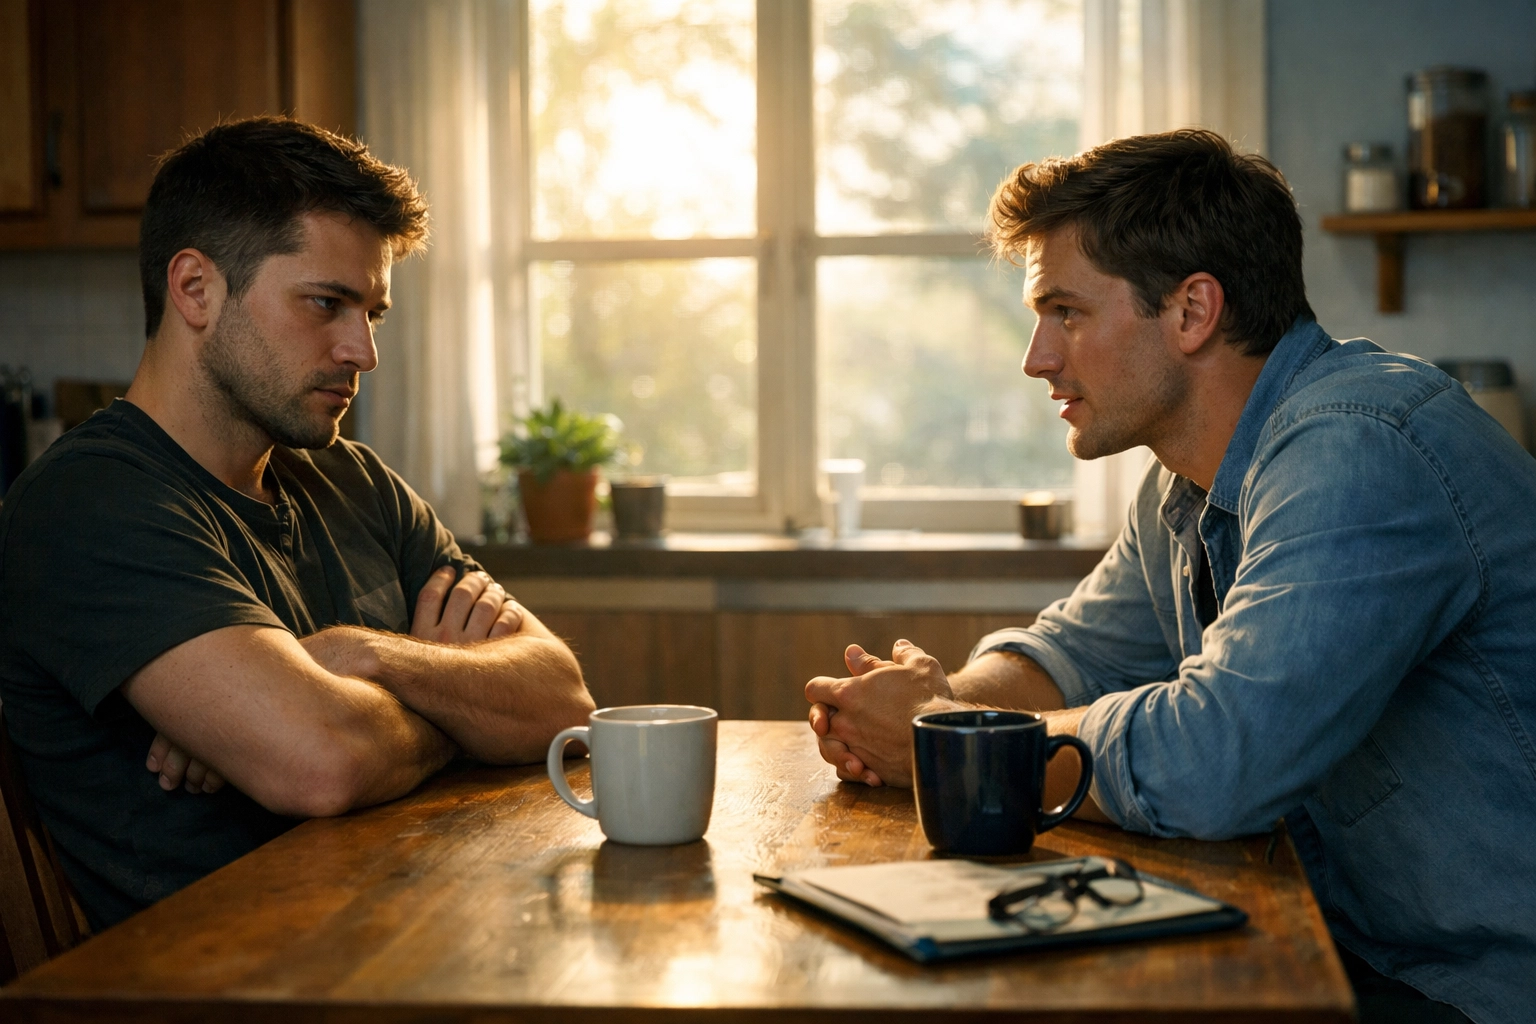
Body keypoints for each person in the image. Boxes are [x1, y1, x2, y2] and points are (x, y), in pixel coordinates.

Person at [805, 130, 1536, 1024]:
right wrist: (928, 708)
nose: (1036, 357)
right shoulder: (1188, 479)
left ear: (1192, 311)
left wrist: (953, 741)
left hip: (1479, 988)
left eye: (1065, 312)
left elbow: (1214, 759)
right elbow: (1074, 653)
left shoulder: (1356, 449)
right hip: (1359, 948)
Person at [0, 117, 595, 930]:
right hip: (221, 990)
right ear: (195, 289)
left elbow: (561, 701)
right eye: (327, 303)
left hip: (400, 935)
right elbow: (322, 764)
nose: (362, 351)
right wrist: (455, 707)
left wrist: (355, 657)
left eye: (372, 313)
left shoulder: (353, 479)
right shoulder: (89, 503)